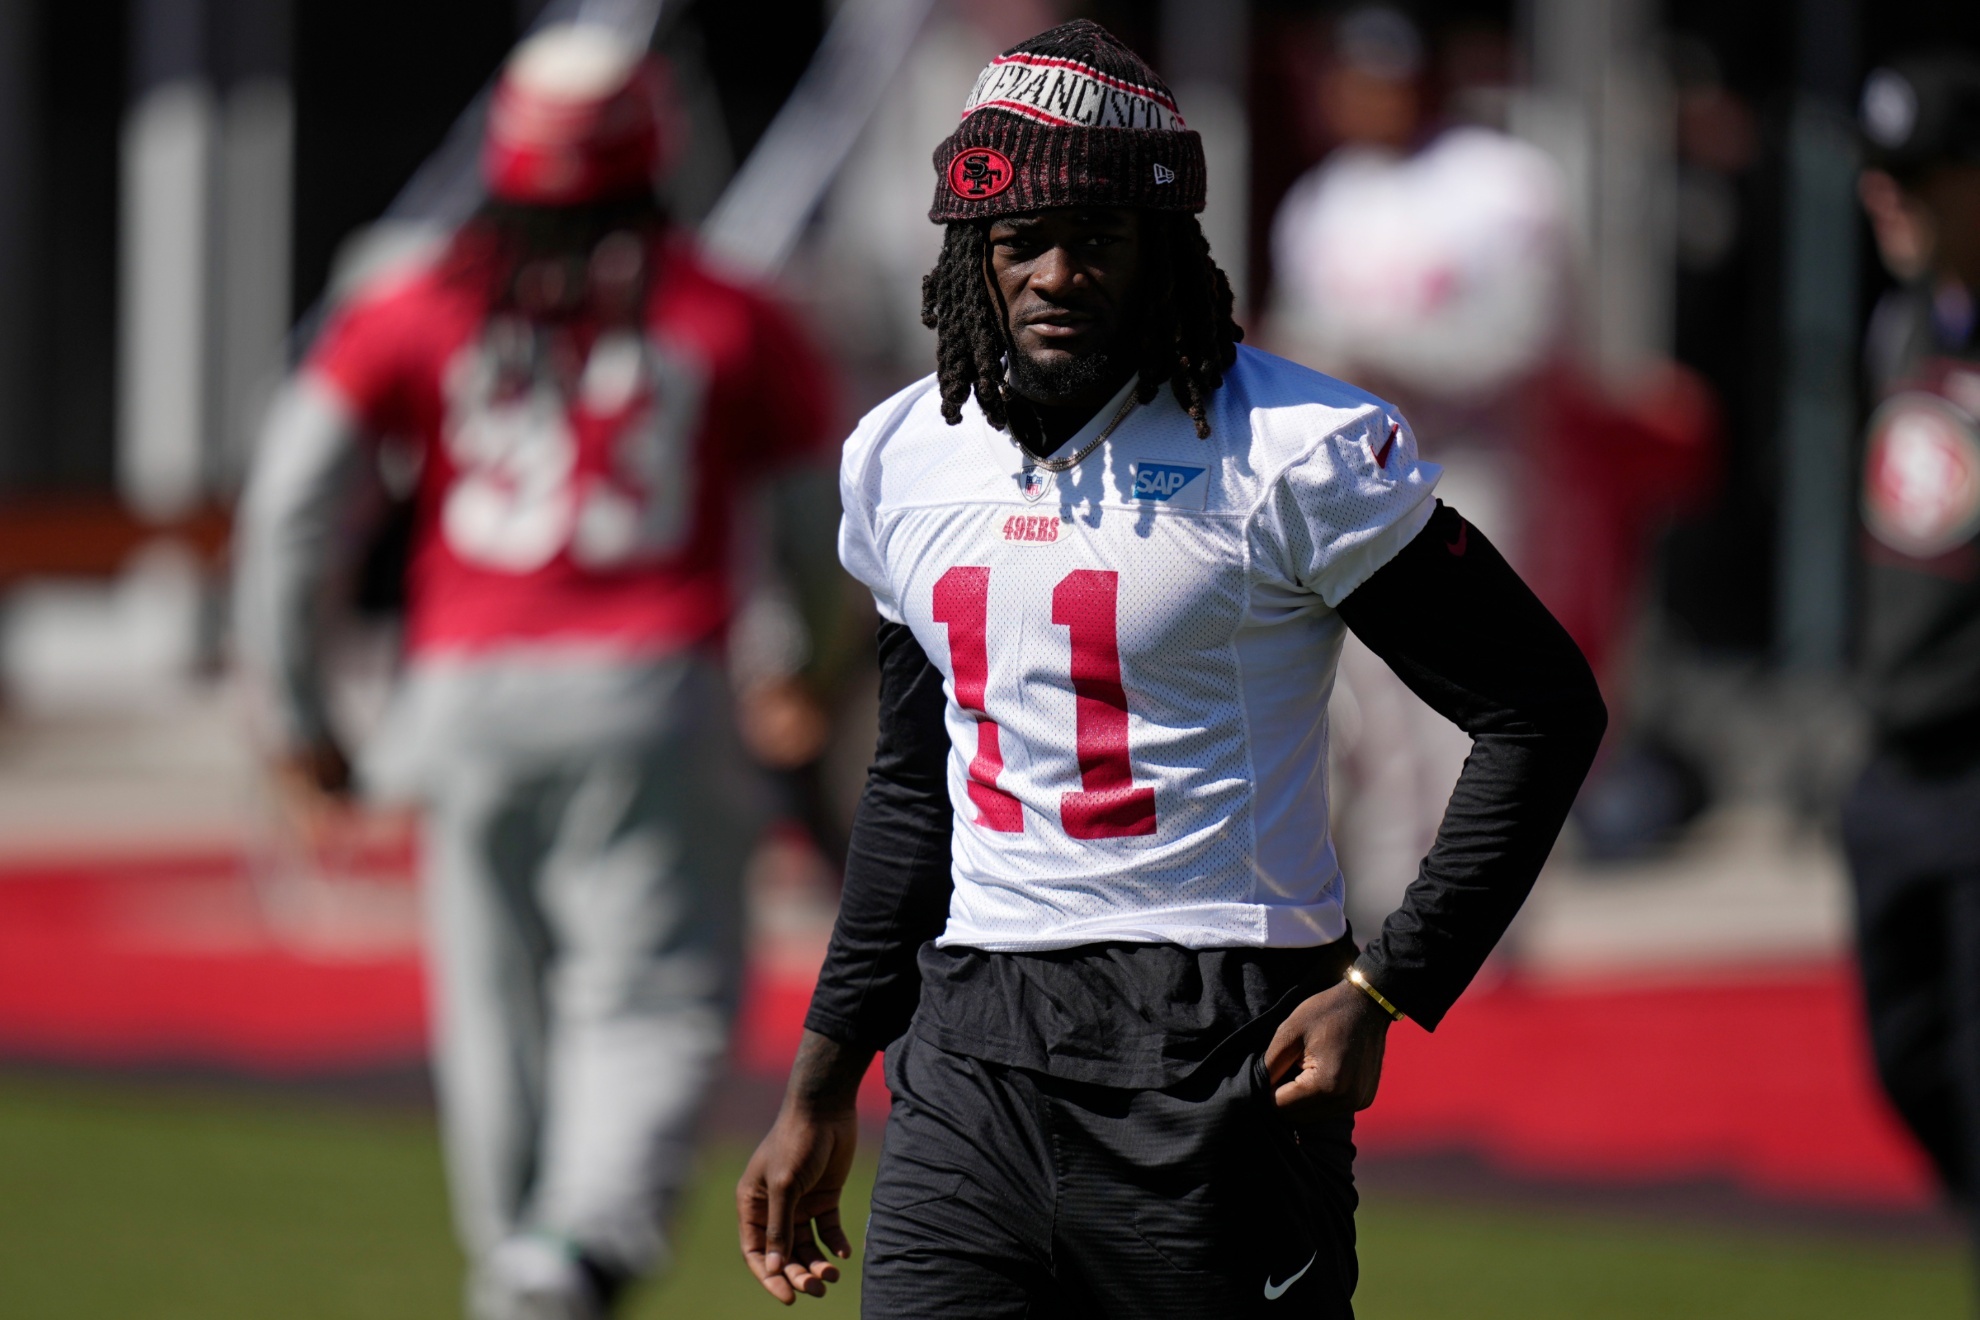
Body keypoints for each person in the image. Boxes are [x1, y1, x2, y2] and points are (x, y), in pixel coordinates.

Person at [735, 19, 1606, 1317]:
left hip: (1215, 1033)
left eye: (1097, 235)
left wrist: (1392, 981)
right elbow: (914, 793)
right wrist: (819, 1080)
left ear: (1168, 246)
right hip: (971, 1047)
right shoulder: (903, 454)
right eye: (1020, 237)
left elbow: (1539, 707)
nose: (1055, 272)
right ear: (970, 247)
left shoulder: (1298, 447)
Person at [235, 24, 840, 1320]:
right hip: (653, 692)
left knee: (494, 1022)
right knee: (658, 1006)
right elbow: (825, 534)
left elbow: (292, 502)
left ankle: (516, 1259)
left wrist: (297, 713)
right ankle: (560, 1259)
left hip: (457, 697)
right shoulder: (730, 313)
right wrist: (812, 671)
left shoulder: (413, 302)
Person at [1845, 54, 1980, 1269]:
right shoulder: (1902, 326)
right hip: (1897, 765)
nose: (1887, 198)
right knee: (1908, 1057)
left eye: (1916, 176)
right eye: (1876, 175)